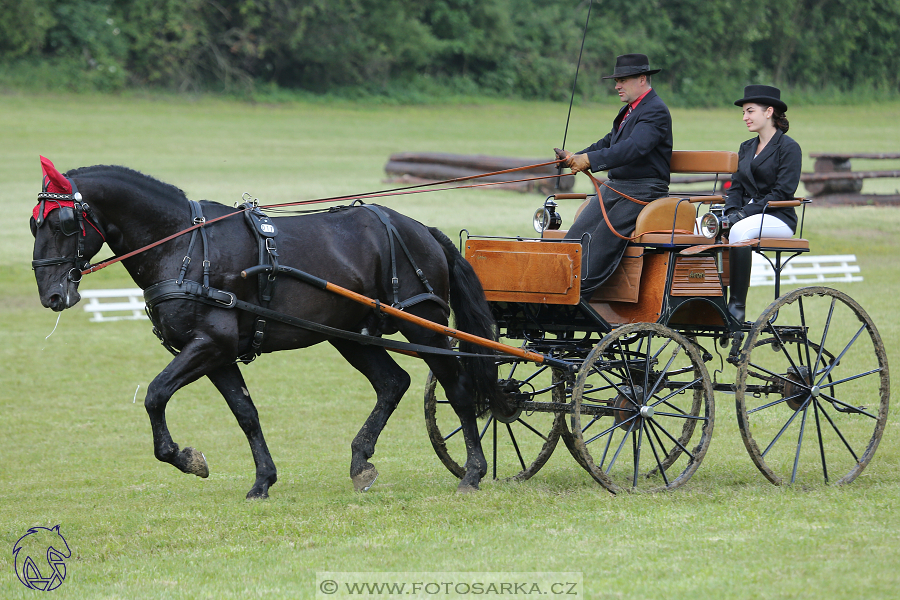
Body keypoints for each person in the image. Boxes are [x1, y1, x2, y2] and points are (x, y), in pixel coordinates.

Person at [555, 53, 673, 299]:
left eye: (623, 80)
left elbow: (634, 147)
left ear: (642, 79)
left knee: (600, 243)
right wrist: (577, 156)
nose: (617, 85)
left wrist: (589, 161)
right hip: (616, 186)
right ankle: (556, 284)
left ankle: (577, 294)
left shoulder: (656, 111)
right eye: (616, 80)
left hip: (644, 190)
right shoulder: (629, 110)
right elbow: (610, 142)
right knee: (576, 236)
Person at [724, 84, 802, 322]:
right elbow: (736, 186)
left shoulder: (789, 148)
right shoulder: (746, 147)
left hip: (779, 217)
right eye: (744, 113)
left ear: (769, 112)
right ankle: (708, 298)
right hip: (750, 215)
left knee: (739, 229)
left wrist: (741, 215)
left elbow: (781, 193)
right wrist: (729, 213)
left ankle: (736, 305)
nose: (745, 117)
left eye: (750, 111)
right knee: (702, 226)